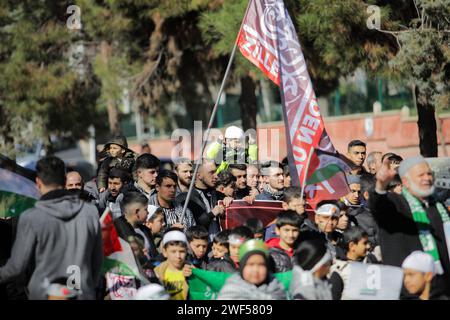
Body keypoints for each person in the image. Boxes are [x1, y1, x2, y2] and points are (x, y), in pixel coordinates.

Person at [0, 156, 103, 300]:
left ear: (38, 182)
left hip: (44, 293)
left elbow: (16, 267)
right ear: (64, 180)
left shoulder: (30, 217)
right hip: (81, 292)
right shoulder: (90, 212)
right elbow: (97, 261)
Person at [370, 155, 450, 297]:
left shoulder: (437, 206)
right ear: (406, 182)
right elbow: (378, 206)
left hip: (441, 287)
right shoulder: (395, 204)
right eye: (421, 175)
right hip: (408, 291)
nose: (427, 178)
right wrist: (381, 186)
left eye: (429, 174)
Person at [217, 239, 287, 300]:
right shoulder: (230, 292)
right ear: (242, 266)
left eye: (261, 264)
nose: (255, 270)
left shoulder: (277, 288)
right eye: (250, 264)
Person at [176, 159, 225, 241]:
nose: (216, 176)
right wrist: (212, 214)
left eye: (216, 172)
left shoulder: (219, 195)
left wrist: (229, 201)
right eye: (211, 172)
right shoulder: (186, 199)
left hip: (219, 247)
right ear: (198, 176)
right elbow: (192, 226)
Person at [328, 226, 376, 300]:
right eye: (365, 243)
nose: (368, 246)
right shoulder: (339, 270)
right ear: (352, 245)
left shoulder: (371, 261)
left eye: (368, 242)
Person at [154, 229, 193, 300]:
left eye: (182, 251)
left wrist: (191, 278)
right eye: (173, 251)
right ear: (165, 252)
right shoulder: (156, 273)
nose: (178, 256)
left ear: (187, 251)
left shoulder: (192, 271)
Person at [347, 174, 379, 251]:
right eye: (353, 191)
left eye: (359, 192)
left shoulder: (370, 213)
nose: (356, 195)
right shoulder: (345, 214)